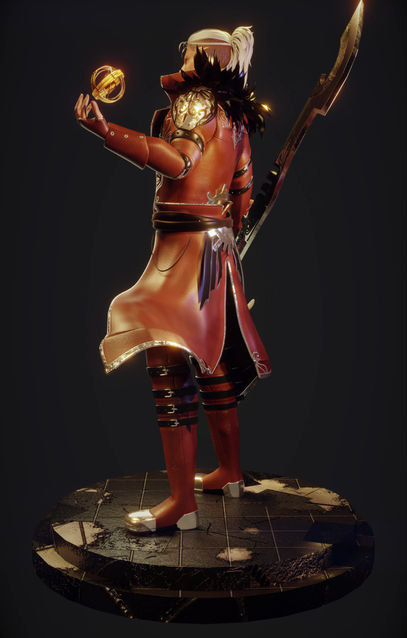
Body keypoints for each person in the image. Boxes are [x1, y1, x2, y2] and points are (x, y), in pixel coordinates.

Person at [74, 26, 271, 533]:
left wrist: (107, 131)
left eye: (187, 51)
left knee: (167, 357)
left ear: (198, 57)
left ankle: (182, 504)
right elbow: (243, 190)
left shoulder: (195, 101)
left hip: (185, 251)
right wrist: (229, 230)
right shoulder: (236, 115)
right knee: (212, 359)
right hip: (219, 252)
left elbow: (178, 161)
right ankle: (230, 474)